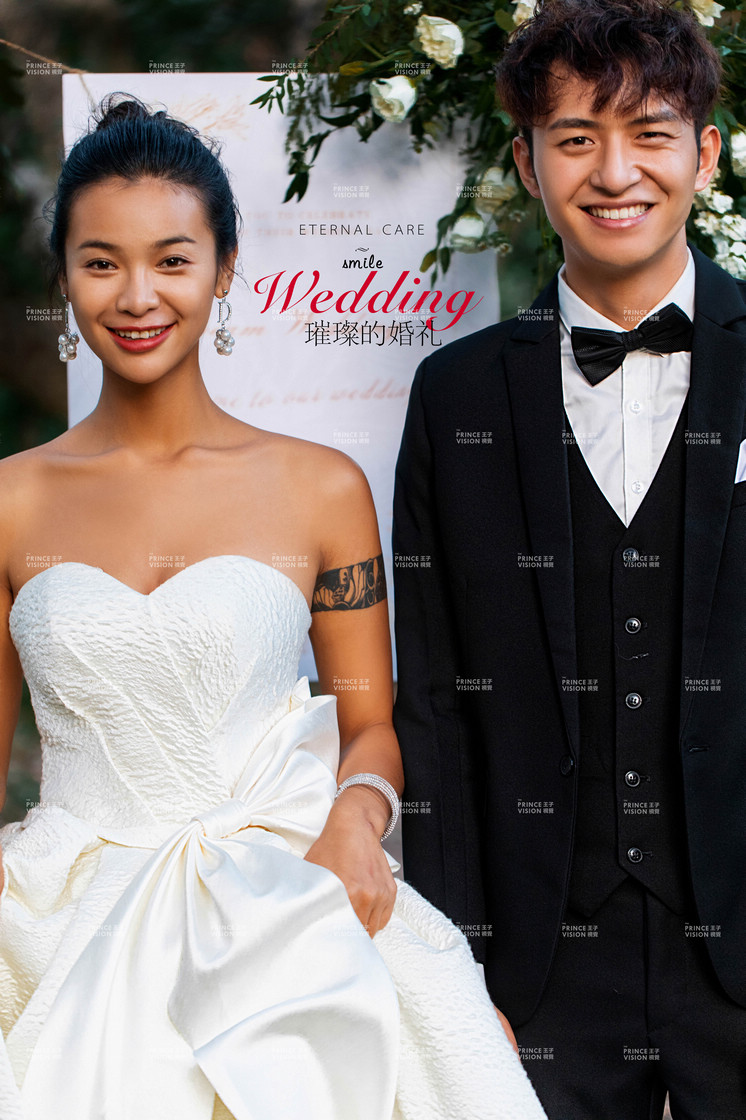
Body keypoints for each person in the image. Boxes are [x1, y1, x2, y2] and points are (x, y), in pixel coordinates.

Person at [0, 96, 546, 1120]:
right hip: (60, 915)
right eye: (101, 262)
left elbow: (372, 724)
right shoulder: (10, 499)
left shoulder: (321, 487)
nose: (137, 295)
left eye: (172, 259)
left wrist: (356, 821)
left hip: (287, 896)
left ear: (224, 269)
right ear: (63, 277)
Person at [393, 1, 746, 1117]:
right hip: (535, 970)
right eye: (576, 137)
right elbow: (434, 705)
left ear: (705, 154)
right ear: (525, 162)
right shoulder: (455, 395)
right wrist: (453, 969)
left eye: (649, 133)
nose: (615, 171)